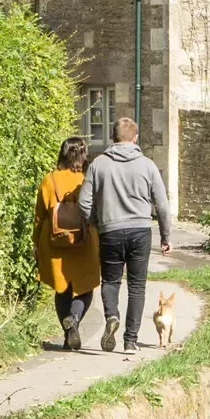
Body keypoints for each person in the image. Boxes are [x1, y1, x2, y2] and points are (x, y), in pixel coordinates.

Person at [77, 117, 173, 353]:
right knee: (137, 286)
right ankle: (130, 341)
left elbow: (83, 202)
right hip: (140, 230)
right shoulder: (147, 165)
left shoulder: (98, 164)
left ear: (112, 137)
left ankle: (112, 315)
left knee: (110, 281)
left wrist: (96, 223)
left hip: (110, 230)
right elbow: (162, 205)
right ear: (135, 138)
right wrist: (166, 236)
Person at [33, 136, 100, 351]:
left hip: (55, 241)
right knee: (85, 287)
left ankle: (67, 334)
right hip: (83, 241)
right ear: (83, 155)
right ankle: (74, 318)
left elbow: (40, 215)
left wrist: (36, 242)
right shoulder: (87, 179)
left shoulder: (49, 180)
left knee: (61, 289)